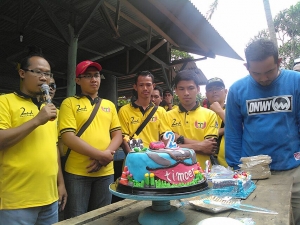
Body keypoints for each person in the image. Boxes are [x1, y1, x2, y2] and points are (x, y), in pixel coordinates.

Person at [225, 38, 300, 224]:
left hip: (293, 169)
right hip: (254, 173)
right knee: (260, 220)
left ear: (279, 62)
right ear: (246, 66)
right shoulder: (237, 90)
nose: (264, 78)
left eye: (269, 71)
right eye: (256, 73)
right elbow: (233, 132)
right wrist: (237, 169)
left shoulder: (296, 82)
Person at [0, 50, 67, 224]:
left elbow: (53, 149)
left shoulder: (49, 108)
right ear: (22, 73)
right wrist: (37, 120)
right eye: (38, 72)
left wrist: (61, 184)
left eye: (47, 74)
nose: (44, 78)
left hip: (50, 198)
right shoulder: (5, 102)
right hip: (17, 201)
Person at [58, 60, 122, 218]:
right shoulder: (69, 103)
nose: (94, 79)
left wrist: (106, 154)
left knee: (102, 217)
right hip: (77, 172)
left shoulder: (109, 105)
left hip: (105, 172)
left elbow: (117, 135)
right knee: (77, 217)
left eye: (96, 75)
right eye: (87, 76)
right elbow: (68, 137)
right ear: (77, 80)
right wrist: (101, 156)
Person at [162, 70, 218, 168]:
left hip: (202, 172)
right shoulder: (166, 116)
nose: (186, 93)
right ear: (176, 90)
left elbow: (210, 148)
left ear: (198, 89)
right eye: (181, 89)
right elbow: (166, 147)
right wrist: (200, 146)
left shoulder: (210, 115)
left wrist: (179, 139)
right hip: (174, 172)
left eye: (191, 88)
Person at [118, 71, 167, 154]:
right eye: (141, 85)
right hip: (134, 159)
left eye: (148, 85)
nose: (145, 88)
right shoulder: (124, 110)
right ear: (135, 87)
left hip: (155, 159)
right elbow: (123, 139)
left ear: (153, 86)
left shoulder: (161, 111)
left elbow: (164, 137)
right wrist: (133, 157)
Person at [205, 77, 228, 167]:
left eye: (218, 88)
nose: (214, 91)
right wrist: (227, 129)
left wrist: (219, 111)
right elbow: (202, 136)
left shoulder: (234, 109)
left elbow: (242, 128)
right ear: (206, 94)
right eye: (210, 89)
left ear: (226, 92)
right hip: (208, 163)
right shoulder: (202, 113)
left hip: (231, 163)